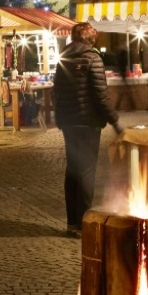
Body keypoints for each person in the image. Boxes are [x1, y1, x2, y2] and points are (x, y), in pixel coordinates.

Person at [54, 22, 123, 235]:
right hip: (87, 122)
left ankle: (72, 223)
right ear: (91, 38)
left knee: (72, 170)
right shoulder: (92, 58)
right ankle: (84, 224)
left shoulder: (63, 57)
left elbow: (55, 92)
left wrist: (60, 117)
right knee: (86, 171)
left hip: (68, 122)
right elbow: (101, 96)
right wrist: (115, 121)